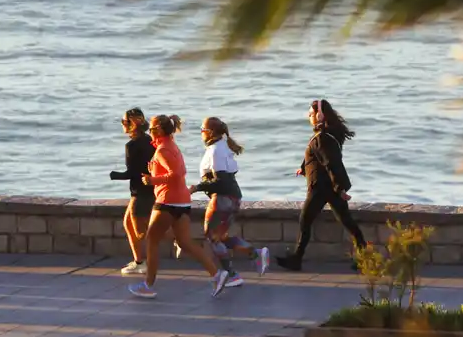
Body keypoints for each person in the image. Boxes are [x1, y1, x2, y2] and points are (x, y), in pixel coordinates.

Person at [129, 114, 226, 299]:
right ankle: (217, 275)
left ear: (158, 130)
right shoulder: (171, 146)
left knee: (151, 240)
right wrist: (154, 171)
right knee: (184, 242)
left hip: (168, 201)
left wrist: (152, 180)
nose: (149, 131)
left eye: (151, 129)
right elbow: (176, 171)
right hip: (182, 201)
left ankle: (148, 285)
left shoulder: (162, 150)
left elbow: (178, 173)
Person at [277, 99, 368, 272]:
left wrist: (340, 188)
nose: (308, 117)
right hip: (329, 187)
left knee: (305, 220)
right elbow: (319, 157)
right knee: (348, 222)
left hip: (321, 187)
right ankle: (365, 258)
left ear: (320, 116)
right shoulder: (326, 135)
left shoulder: (323, 138)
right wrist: (304, 168)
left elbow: (331, 163)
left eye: (311, 114)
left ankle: (296, 259)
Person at [190, 117, 270, 286]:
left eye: (202, 130)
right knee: (220, 236)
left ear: (211, 132)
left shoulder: (215, 151)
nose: (201, 133)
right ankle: (255, 254)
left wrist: (196, 187)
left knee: (212, 236)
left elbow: (221, 181)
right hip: (232, 197)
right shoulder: (222, 147)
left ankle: (231, 275)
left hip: (222, 199)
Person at [109, 108, 154, 275]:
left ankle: (150, 262)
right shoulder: (149, 140)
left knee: (141, 232)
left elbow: (132, 172)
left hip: (140, 192)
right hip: (149, 189)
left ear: (132, 124)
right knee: (128, 224)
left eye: (124, 121)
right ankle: (139, 261)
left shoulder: (132, 145)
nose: (122, 124)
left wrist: (114, 175)